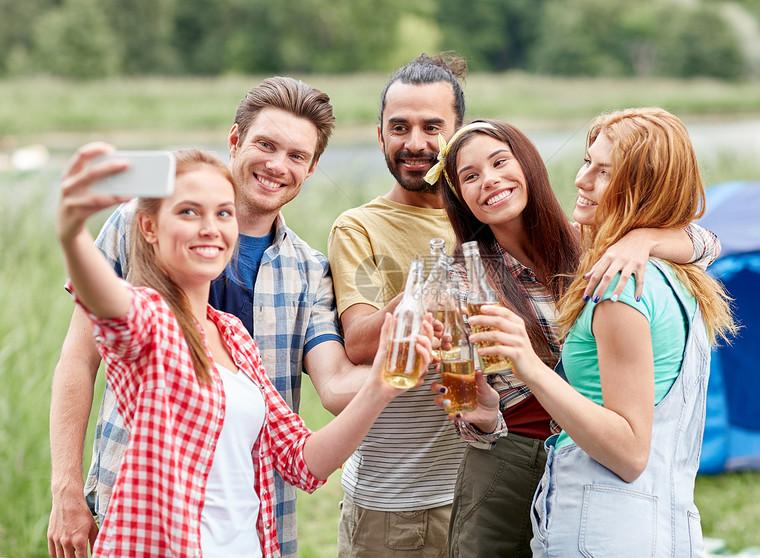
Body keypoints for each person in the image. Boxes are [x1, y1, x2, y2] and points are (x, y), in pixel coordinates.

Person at [55, 146, 434, 557]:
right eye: (188, 212)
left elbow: (301, 460)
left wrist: (380, 385)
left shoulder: (233, 336)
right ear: (148, 228)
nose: (210, 228)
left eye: (223, 213)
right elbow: (106, 300)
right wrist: (72, 230)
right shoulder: (147, 319)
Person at [424, 119, 721, 557]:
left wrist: (643, 240)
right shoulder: (454, 281)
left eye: (499, 162)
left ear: (527, 165)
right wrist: (483, 417)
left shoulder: (590, 240)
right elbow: (462, 398)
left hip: (597, 449)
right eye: (469, 177)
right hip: (512, 454)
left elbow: (709, 242)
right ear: (460, 198)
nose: (489, 181)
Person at [326, 52, 467, 557]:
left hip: (485, 488)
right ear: (380, 134)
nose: (415, 144)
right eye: (399, 127)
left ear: (459, 132)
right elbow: (362, 342)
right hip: (396, 501)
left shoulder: (488, 214)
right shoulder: (358, 226)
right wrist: (431, 282)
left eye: (433, 127)